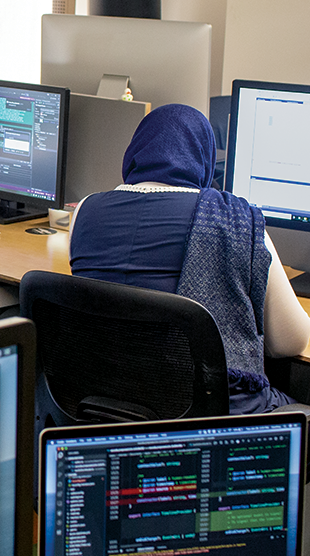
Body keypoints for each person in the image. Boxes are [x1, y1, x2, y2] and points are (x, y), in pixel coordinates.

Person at [68, 103, 310, 413]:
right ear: (206, 162)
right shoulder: (240, 221)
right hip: (215, 414)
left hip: (110, 404)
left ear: (133, 155)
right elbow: (288, 343)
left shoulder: (84, 211)